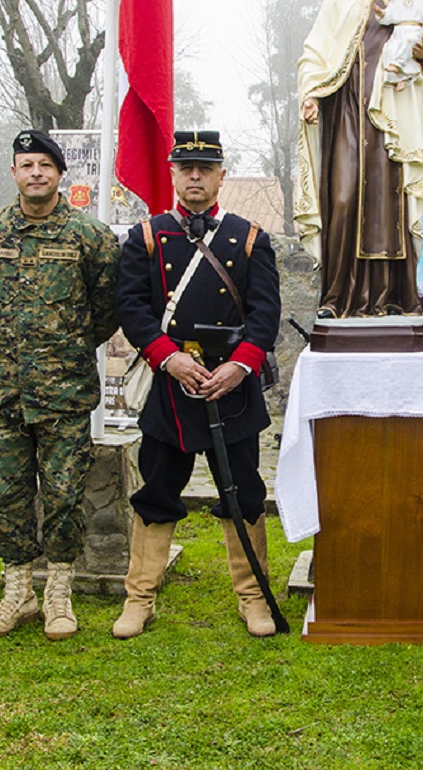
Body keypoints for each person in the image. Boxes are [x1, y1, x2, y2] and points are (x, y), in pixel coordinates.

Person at [112, 131, 282, 639]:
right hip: (171, 385)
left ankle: (253, 598)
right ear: (172, 174)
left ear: (220, 176)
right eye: (185, 168)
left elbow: (264, 315)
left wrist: (239, 367)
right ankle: (139, 599)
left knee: (243, 493)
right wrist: (168, 359)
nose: (194, 177)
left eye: (205, 169)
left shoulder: (250, 238)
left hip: (232, 387)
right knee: (158, 490)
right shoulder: (146, 237)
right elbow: (133, 309)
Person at [0, 130, 120, 641]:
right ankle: (18, 590)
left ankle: (59, 593)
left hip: (65, 393)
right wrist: (12, 347)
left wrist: (61, 348)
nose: (35, 174)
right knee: (7, 494)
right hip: (5, 393)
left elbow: (106, 309)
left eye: (45, 165)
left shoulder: (89, 237)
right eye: (26, 165)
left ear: (59, 174)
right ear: (13, 173)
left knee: (65, 495)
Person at [296, 0, 423, 319]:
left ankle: (394, 298)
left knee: (389, 202)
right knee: (343, 196)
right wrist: (311, 92)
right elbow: (315, 52)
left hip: (388, 113)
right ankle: (339, 297)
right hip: (345, 111)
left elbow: (421, 49)